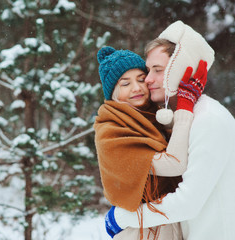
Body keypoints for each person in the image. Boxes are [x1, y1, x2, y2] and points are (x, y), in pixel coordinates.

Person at [106, 21, 235, 240]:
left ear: (181, 68)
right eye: (148, 70)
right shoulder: (182, 117)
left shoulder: (210, 120)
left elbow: (188, 203)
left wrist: (122, 218)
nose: (148, 79)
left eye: (158, 70)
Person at [93, 46, 206, 239]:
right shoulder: (111, 132)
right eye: (125, 83)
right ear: (113, 92)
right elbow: (174, 164)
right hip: (140, 232)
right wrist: (185, 107)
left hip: (166, 223)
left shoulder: (153, 117)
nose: (136, 88)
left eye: (140, 79)